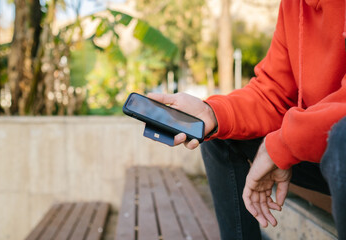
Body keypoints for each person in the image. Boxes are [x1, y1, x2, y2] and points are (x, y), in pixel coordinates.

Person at [147, 0, 346, 239]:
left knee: (341, 141)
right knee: (219, 132)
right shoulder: (294, 5)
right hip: (320, 150)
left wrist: (281, 145)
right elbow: (273, 92)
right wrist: (213, 113)